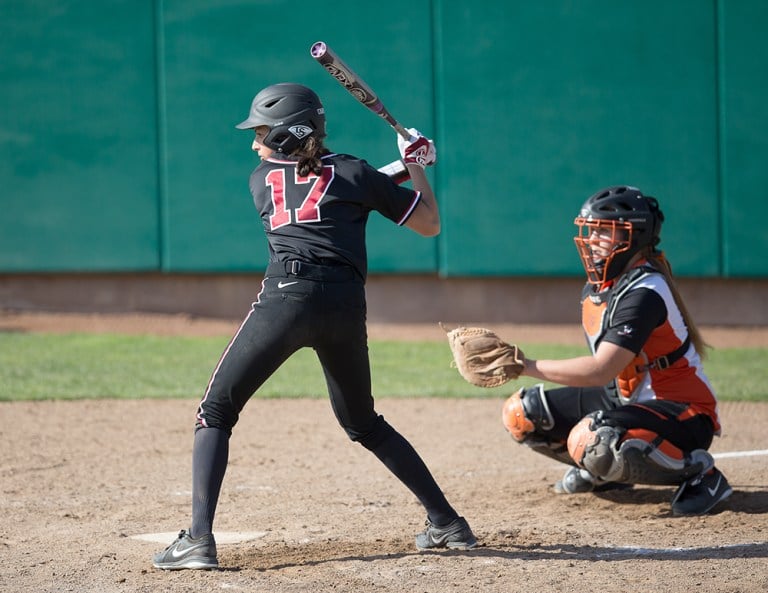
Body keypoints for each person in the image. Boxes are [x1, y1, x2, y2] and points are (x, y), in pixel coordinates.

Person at [152, 83, 476, 570]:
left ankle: (198, 539)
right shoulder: (352, 171)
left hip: (286, 301)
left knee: (215, 412)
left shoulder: (261, 179)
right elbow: (421, 219)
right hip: (345, 306)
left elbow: (331, 190)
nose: (254, 142)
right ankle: (448, 523)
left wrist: (407, 166)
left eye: (261, 132)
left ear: (286, 134)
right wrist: (415, 166)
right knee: (363, 423)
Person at [501, 185, 732, 516]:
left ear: (633, 236)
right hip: (625, 400)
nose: (592, 240)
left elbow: (601, 369)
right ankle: (606, 470)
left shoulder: (645, 291)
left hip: (684, 413)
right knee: (521, 413)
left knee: (592, 436)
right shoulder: (602, 288)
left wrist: (525, 365)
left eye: (604, 231)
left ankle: (701, 474)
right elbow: (608, 379)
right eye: (591, 230)